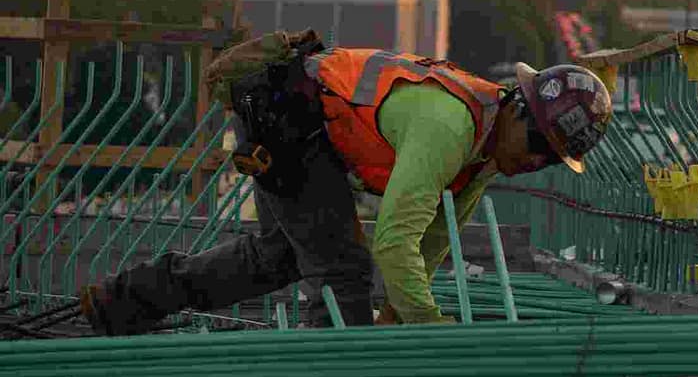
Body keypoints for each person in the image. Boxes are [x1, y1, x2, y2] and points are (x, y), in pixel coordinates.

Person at [79, 43, 613, 335]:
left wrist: (399, 318)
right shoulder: (450, 128)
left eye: (549, 161)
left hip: (301, 128)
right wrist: (429, 331)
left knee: (279, 257)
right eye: (539, 145)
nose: (534, 163)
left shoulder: (489, 151)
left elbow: (429, 244)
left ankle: (122, 301)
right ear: (519, 107)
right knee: (342, 275)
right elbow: (394, 244)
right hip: (291, 125)